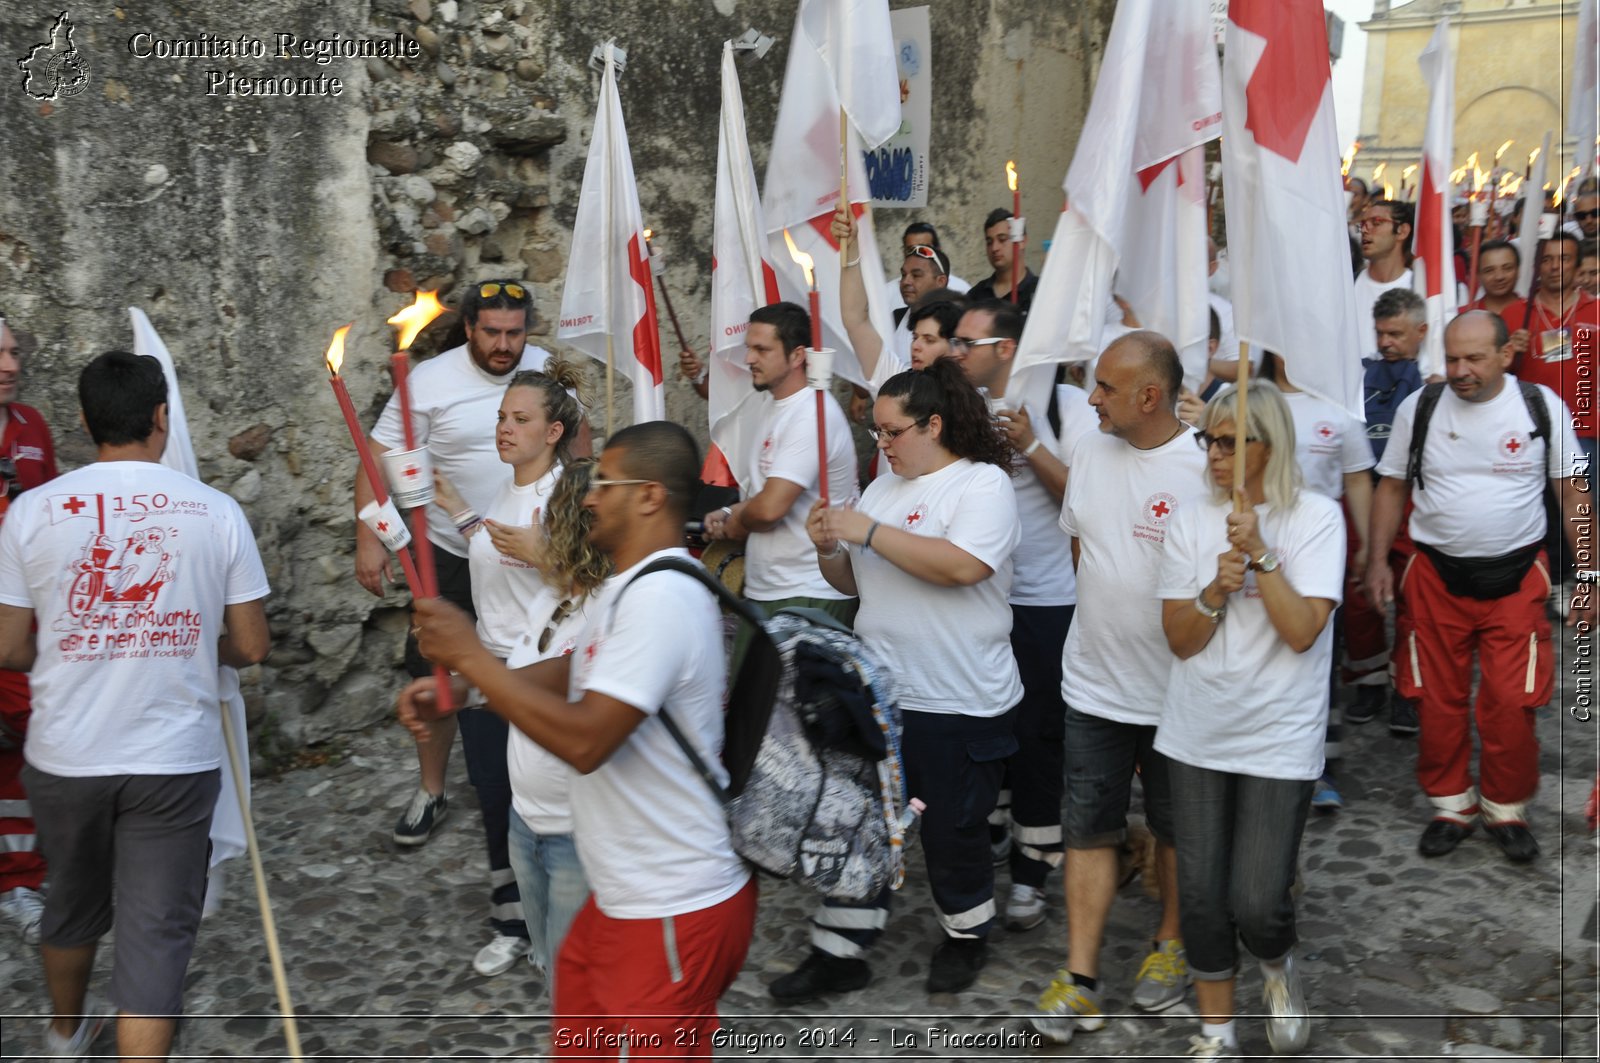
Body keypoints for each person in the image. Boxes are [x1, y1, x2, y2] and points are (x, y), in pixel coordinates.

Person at [402, 421, 755, 1058]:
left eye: (603, 483)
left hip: (673, 900)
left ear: (649, 496)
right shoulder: (627, 590)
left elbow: (591, 740)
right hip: (619, 895)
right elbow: (573, 672)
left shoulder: (664, 597)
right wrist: (467, 691)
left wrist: (472, 659)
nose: (587, 496)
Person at [0, 351, 270, 1060]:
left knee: (72, 904)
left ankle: (64, 1034)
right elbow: (249, 644)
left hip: (65, 753)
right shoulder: (216, 510)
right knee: (154, 941)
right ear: (162, 416)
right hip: (170, 758)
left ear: (85, 421)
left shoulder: (30, 511)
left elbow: (8, 646)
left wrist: (81, 644)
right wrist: (173, 645)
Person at [776, 358, 1021, 998]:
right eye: (876, 434)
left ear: (933, 424)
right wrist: (831, 546)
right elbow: (857, 582)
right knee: (853, 821)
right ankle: (838, 950)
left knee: (950, 827)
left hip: (958, 697)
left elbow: (963, 567)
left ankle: (967, 932)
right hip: (883, 695)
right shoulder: (882, 489)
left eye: (891, 432)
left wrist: (869, 531)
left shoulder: (981, 485)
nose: (880, 445)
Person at [1029, 332, 1208, 1045]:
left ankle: (1171, 943)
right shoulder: (1090, 453)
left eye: (1104, 386)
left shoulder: (1204, 468)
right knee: (1088, 829)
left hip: (1178, 692)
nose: (1091, 396)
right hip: (1094, 684)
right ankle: (1080, 979)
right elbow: (1085, 548)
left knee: (1174, 827)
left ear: (1149, 396)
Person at [1157, 382, 1344, 1059]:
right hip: (1197, 729)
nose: (1215, 452)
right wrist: (1212, 588)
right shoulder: (1189, 519)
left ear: (1273, 444)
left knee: (1259, 897)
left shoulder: (1317, 517)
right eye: (1210, 438)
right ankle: (1216, 1033)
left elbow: (1301, 632)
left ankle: (1275, 963)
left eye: (1233, 441)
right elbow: (1179, 639)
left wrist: (1263, 557)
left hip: (1278, 732)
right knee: (1203, 896)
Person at [1366, 311, 1593, 864]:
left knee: (1512, 702)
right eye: (1452, 359)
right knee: (1436, 701)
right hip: (1435, 580)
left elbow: (1573, 494)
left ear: (1504, 355)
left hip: (1516, 580)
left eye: (1474, 358)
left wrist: (1590, 575)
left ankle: (1504, 808)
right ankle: (1452, 806)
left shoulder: (1540, 406)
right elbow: (1391, 486)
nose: (1461, 371)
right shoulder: (1417, 409)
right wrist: (1375, 561)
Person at [358, 280, 562, 858]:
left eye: (515, 332)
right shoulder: (428, 381)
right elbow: (377, 462)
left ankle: (530, 783)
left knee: (534, 661)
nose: (504, 345)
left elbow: (579, 445)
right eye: (492, 332)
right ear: (469, 328)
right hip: (449, 550)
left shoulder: (546, 372)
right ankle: (432, 788)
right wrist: (369, 537)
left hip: (528, 554)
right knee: (439, 672)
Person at [430, 361, 587, 976]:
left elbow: (588, 579)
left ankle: (557, 926)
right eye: (501, 417)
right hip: (490, 663)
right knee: (494, 797)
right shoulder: (510, 488)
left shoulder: (566, 495)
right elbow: (499, 551)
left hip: (540, 670)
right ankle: (510, 917)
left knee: (542, 804)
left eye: (520, 420)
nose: (504, 429)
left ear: (553, 432)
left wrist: (546, 553)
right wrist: (460, 511)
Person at [500, 458, 606, 992]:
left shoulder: (611, 608)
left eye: (551, 519)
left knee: (575, 983)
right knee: (549, 963)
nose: (539, 527)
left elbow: (563, 680)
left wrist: (469, 681)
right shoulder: (550, 598)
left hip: (577, 831)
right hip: (526, 818)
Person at [700, 303, 857, 629]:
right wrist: (732, 513)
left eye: (761, 349)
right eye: (748, 348)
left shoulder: (812, 413)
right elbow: (766, 494)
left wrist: (735, 521)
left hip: (809, 592)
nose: (749, 359)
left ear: (797, 355)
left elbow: (771, 509)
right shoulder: (774, 406)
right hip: (771, 590)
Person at [0, 316, 58, 949]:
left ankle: (20, 879)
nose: (12, 365)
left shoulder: (32, 428)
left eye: (14, 352)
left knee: (23, 745)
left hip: (18, 624)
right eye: (0, 355)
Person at [1346, 289, 1428, 731]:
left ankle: (1408, 689)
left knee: (1416, 597)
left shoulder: (1438, 380)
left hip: (1415, 496)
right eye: (1380, 333)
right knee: (1362, 592)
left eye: (1396, 333)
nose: (1386, 342)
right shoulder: (1360, 374)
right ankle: (1369, 679)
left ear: (1421, 331)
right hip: (1367, 490)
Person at [1511, 233, 1599, 458]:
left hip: (1583, 432)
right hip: (1528, 430)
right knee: (1534, 495)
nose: (1554, 267)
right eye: (1546, 259)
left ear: (1577, 266)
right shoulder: (1514, 313)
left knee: (1580, 491)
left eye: (1564, 259)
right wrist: (1510, 354)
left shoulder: (1596, 310)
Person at [1354, 201, 1414, 348]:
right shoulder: (1348, 285)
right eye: (1362, 224)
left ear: (1402, 231)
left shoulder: (1419, 287)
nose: (1365, 230)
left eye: (1376, 222)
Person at [883, 222, 971, 311]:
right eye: (910, 249)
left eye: (916, 275)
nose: (906, 282)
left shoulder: (962, 288)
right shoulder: (887, 292)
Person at [967, 208, 1038, 313]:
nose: (995, 248)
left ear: (1022, 241)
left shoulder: (1040, 292)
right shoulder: (976, 295)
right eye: (989, 242)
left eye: (1002, 239)